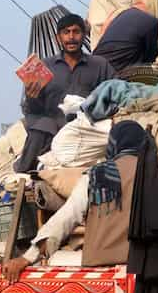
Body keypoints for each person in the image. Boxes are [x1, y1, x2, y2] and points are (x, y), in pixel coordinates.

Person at [4, 121, 158, 285]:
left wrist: (26, 258)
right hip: (151, 282)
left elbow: (65, 219)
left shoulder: (95, 176)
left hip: (100, 281)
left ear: (113, 147)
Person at [15, 14, 115, 173]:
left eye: (76, 32)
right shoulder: (44, 67)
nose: (71, 37)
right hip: (52, 130)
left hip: (87, 128)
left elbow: (114, 93)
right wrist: (31, 96)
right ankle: (23, 173)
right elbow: (32, 111)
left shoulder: (100, 65)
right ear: (58, 38)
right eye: (66, 32)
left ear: (84, 35)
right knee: (40, 128)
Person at [93, 0, 158, 71]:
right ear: (157, 2)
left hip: (95, 69)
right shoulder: (151, 22)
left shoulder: (120, 15)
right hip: (116, 76)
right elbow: (151, 62)